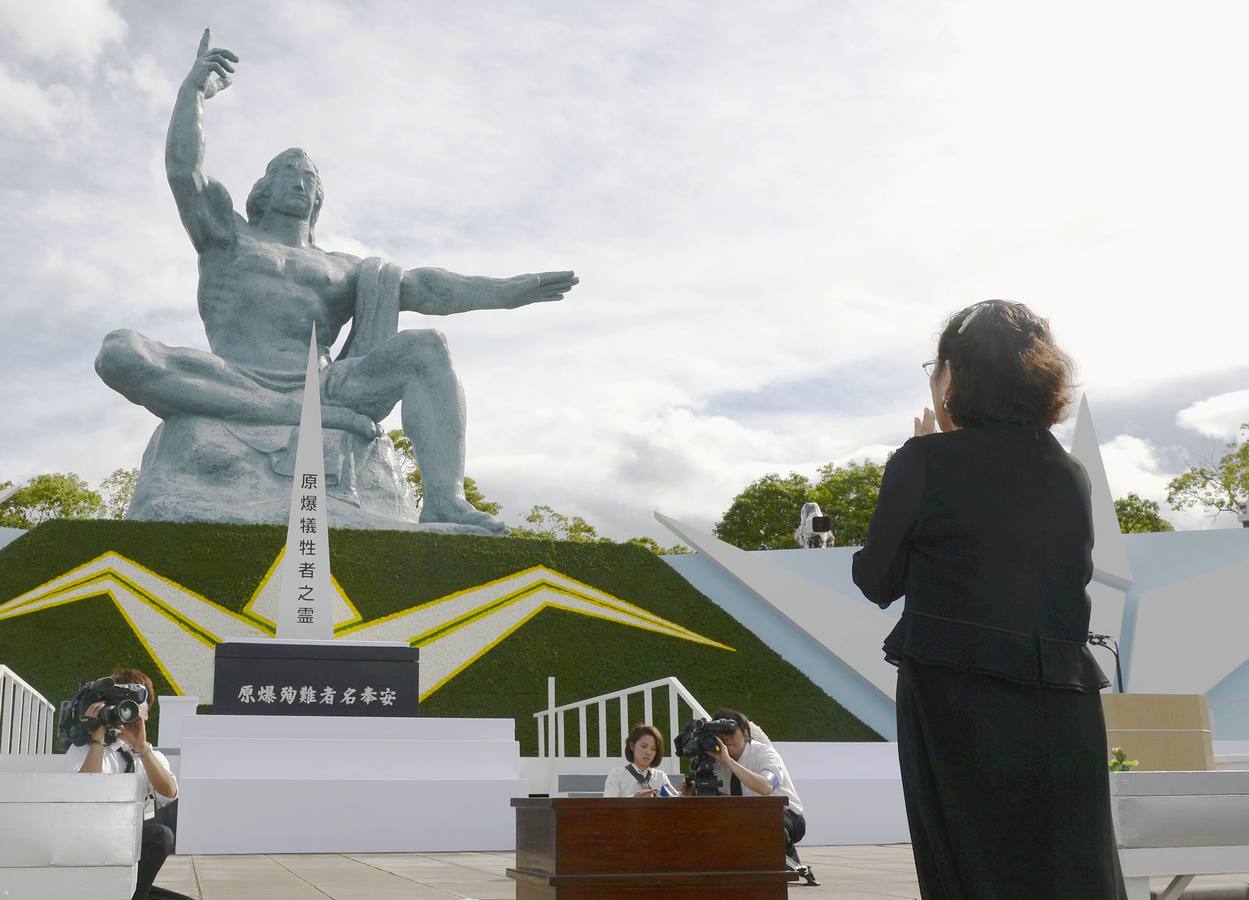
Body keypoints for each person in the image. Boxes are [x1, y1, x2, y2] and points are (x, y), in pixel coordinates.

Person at [94, 29, 578, 533]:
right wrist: (192, 93)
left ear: (319, 200)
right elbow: (183, 172)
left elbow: (424, 287)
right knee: (120, 350)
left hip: (327, 386)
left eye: (311, 178)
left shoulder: (343, 267)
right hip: (234, 374)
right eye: (288, 172)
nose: (302, 181)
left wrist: (505, 293)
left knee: (427, 348)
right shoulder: (227, 236)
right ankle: (283, 411)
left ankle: (445, 499)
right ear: (262, 189)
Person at [852, 300, 1127, 899]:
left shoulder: (923, 461)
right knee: (1072, 869)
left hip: (958, 700)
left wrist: (917, 463)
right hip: (1061, 701)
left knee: (972, 871)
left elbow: (876, 581)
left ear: (953, 376)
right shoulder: (1068, 472)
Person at [67, 667, 190, 900]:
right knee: (159, 835)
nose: (130, 708)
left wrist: (141, 748)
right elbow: (81, 794)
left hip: (129, 857)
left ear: (147, 713)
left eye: (137, 701)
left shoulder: (150, 755)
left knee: (160, 837)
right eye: (124, 700)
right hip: (89, 848)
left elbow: (170, 792)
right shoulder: (85, 749)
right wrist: (97, 740)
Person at [702, 707, 814, 883]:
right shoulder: (718, 763)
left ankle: (788, 854)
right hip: (748, 818)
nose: (726, 739)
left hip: (787, 816)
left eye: (730, 732)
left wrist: (729, 762)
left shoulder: (764, 753)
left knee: (764, 818)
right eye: (720, 736)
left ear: (745, 731)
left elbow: (766, 786)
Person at [602, 723, 675, 797]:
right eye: (644, 746)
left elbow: (674, 803)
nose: (648, 752)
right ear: (632, 746)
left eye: (653, 749)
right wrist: (633, 800)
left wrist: (686, 793)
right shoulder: (617, 774)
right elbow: (608, 805)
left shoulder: (660, 776)